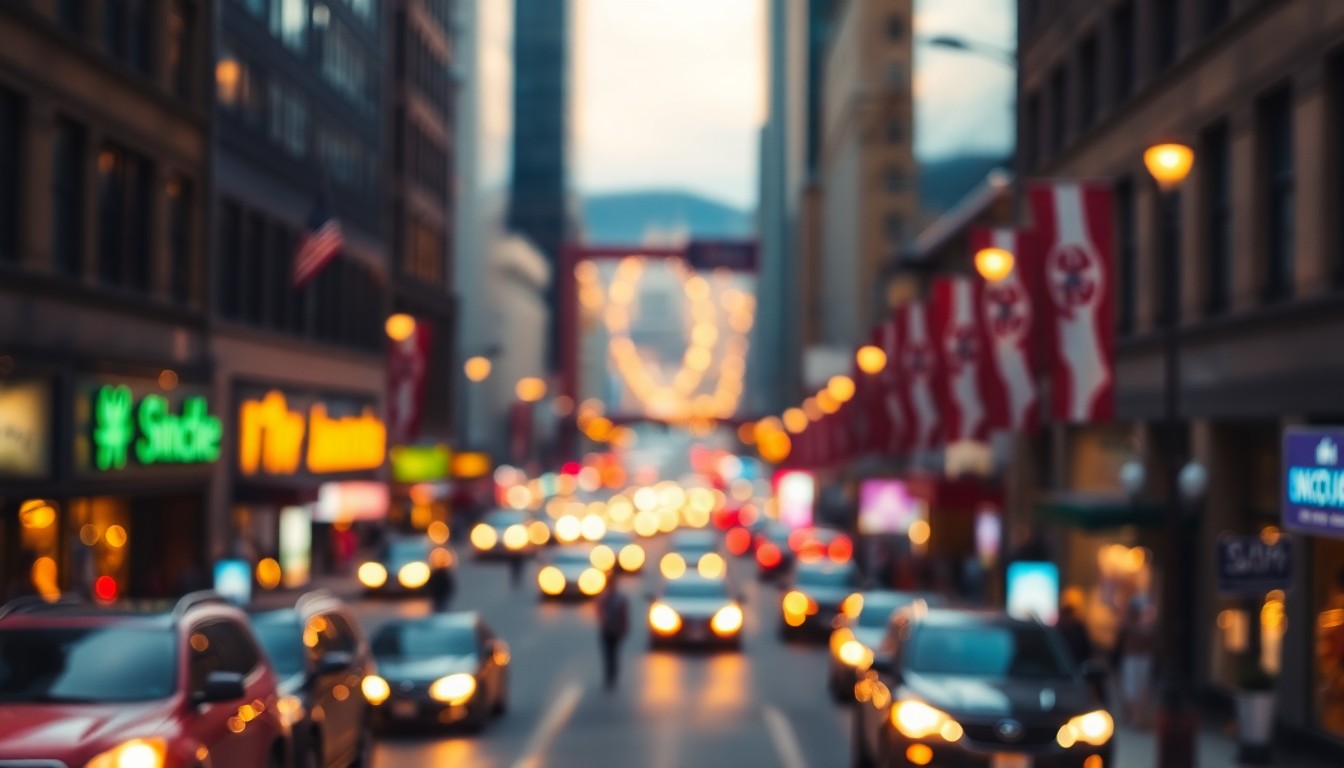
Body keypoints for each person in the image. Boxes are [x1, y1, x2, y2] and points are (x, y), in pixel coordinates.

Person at [1113, 595, 1156, 727]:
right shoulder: (1128, 624)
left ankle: (1138, 718)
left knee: (1141, 689)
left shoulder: (1147, 625)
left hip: (1143, 659)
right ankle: (1131, 715)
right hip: (1131, 659)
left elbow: (1150, 639)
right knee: (1130, 689)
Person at [595, 577, 629, 691]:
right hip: (606, 630)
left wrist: (624, 628)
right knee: (608, 654)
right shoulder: (603, 598)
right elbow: (599, 612)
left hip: (616, 630)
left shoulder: (620, 599)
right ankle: (609, 676)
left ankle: (613, 675)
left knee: (613, 653)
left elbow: (624, 615)